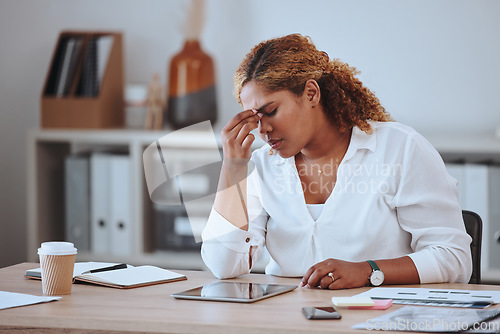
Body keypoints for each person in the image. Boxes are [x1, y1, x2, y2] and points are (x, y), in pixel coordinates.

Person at [201, 33, 472, 289]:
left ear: (311, 93)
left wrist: (368, 271)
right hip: (284, 318)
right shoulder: (262, 165)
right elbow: (223, 267)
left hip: (379, 315)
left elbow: (454, 259)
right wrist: (233, 168)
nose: (262, 130)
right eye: (254, 119)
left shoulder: (400, 149)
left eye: (270, 111)